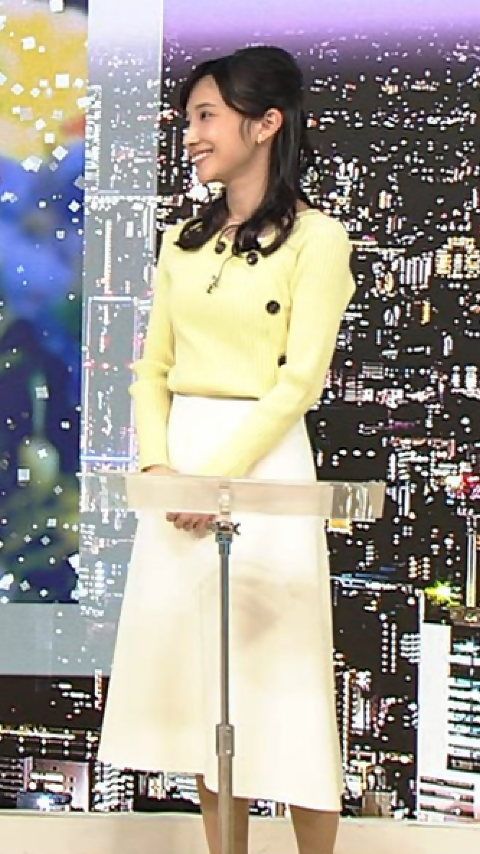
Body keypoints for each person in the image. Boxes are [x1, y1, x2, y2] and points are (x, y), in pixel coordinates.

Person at [98, 45, 356, 854]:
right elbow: (153, 370)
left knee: (285, 686)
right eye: (188, 119)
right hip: (179, 469)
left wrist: (214, 479)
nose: (192, 135)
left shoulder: (318, 239)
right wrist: (160, 469)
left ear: (266, 122)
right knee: (208, 697)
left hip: (264, 467)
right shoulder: (181, 242)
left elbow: (299, 382)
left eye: (207, 116)